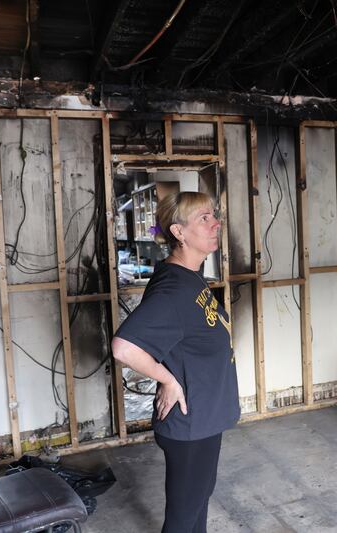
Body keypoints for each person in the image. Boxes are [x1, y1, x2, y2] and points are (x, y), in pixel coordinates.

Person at [112, 191, 240, 533]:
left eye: (213, 215)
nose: (216, 223)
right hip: (190, 424)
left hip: (204, 418)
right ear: (179, 232)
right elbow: (124, 347)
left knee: (196, 505)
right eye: (203, 218)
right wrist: (168, 380)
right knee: (183, 519)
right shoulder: (173, 289)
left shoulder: (190, 276)